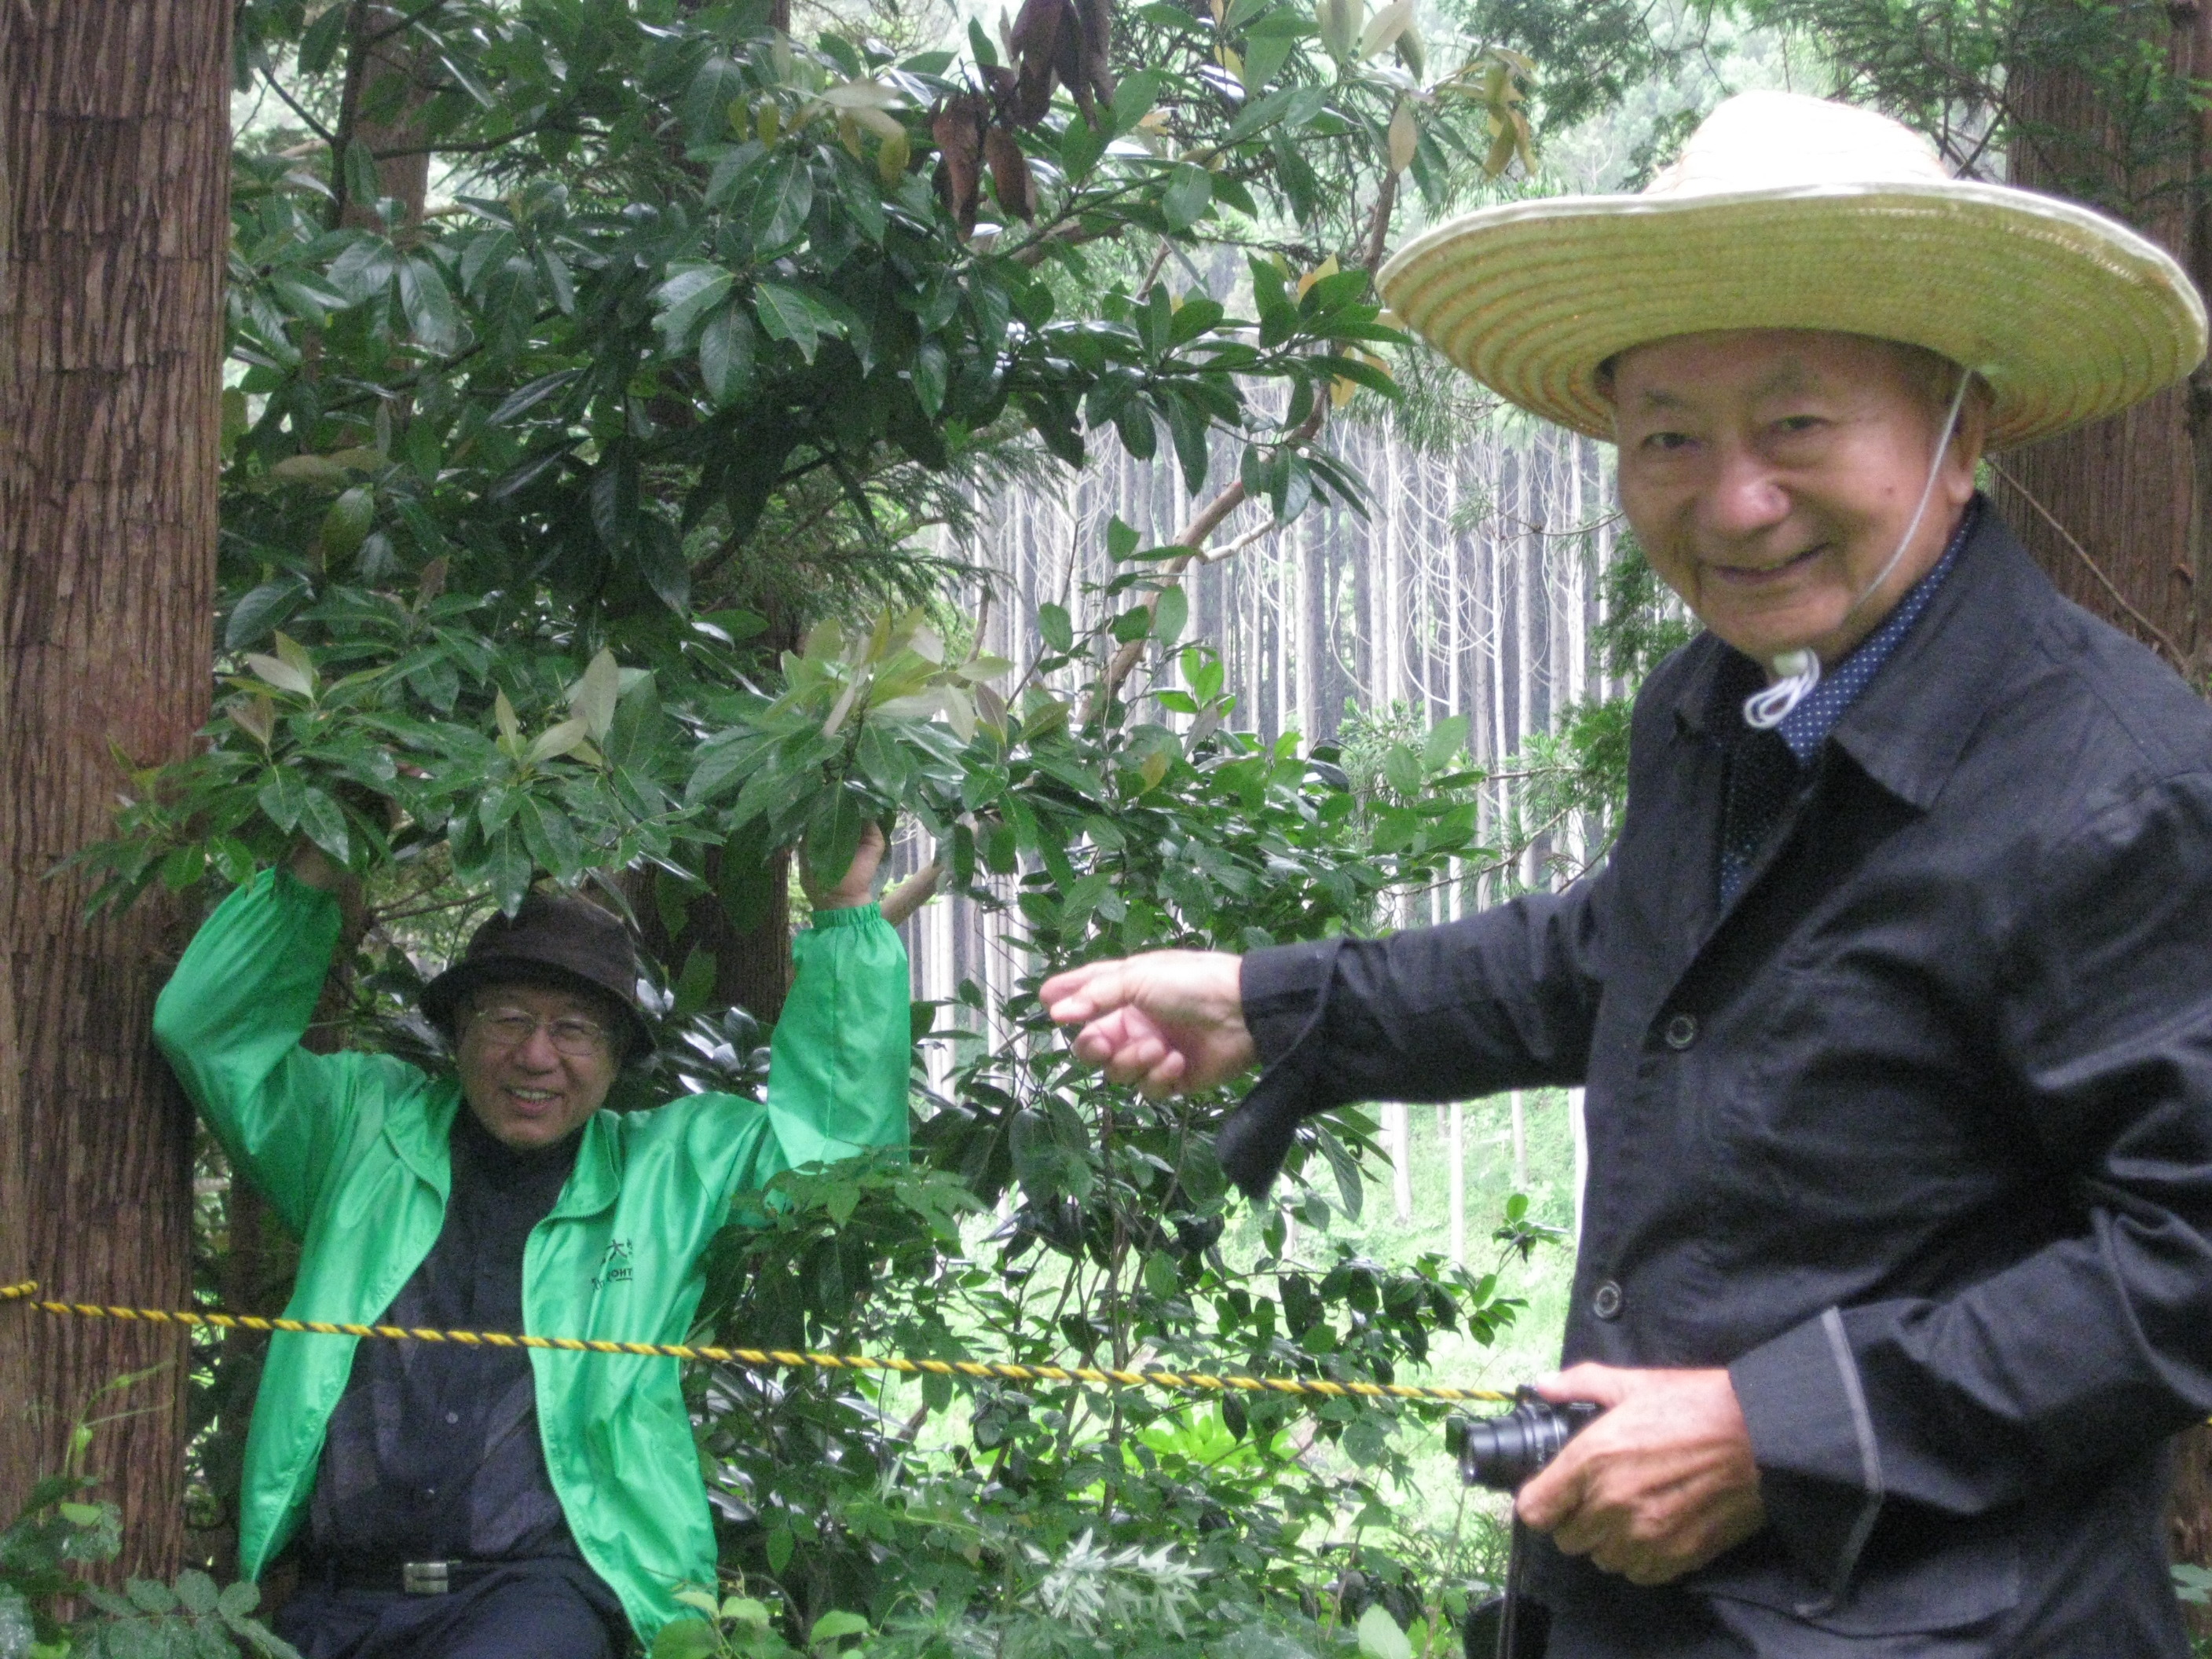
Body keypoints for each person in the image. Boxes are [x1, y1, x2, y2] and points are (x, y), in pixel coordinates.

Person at [1044, 92, 2212, 1655]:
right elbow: (1620, 958)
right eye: (1669, 435)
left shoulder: (2112, 788)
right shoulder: (1725, 707)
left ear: (1960, 420)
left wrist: (1777, 1429)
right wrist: (1275, 1005)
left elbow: (2183, 1259)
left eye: (1798, 427)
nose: (1731, 501)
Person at [154, 826, 912, 1658]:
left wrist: (843, 913)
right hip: (339, 1595)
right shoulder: (359, 1132)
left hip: (539, 1596)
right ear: (458, 1035)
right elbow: (208, 1035)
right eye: (508, 1019)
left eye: (576, 1030)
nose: (537, 1056)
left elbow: (836, 1160)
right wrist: (318, 858)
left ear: (618, 1056)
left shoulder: (671, 1173)